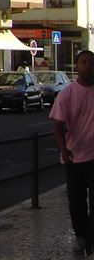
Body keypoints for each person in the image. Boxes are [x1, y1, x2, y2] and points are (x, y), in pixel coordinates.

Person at [51, 49, 94, 255]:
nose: (88, 66)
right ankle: (82, 236)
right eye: (84, 62)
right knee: (76, 201)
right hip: (74, 156)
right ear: (76, 66)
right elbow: (58, 124)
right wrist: (63, 149)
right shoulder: (67, 94)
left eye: (91, 63)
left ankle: (90, 238)